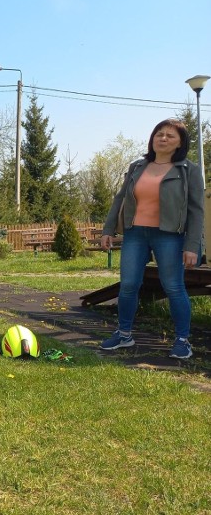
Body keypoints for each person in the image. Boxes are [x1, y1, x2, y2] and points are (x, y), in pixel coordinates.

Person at [99, 118, 204, 359]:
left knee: (174, 287)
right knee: (128, 286)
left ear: (180, 143)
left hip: (170, 236)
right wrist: (108, 230)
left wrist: (192, 246)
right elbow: (120, 199)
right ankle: (124, 334)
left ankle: (182, 340)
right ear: (152, 138)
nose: (163, 138)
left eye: (170, 136)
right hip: (136, 234)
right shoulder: (137, 166)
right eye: (159, 134)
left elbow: (197, 211)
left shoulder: (188, 170)